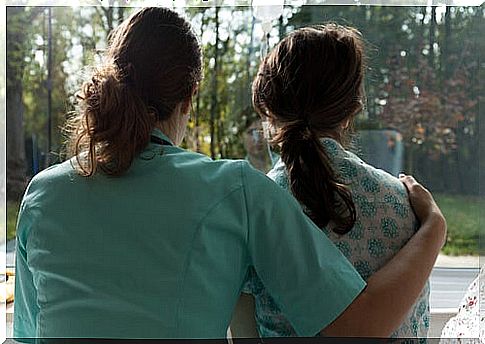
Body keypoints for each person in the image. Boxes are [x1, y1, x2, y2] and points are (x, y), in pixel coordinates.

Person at [13, 8, 446, 340]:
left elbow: (28, 335)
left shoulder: (42, 194)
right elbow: (358, 327)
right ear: (190, 97)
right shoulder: (235, 191)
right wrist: (433, 228)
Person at [239, 24, 431, 338]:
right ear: (352, 109)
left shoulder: (254, 211)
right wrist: (435, 224)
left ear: (267, 105)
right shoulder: (406, 206)